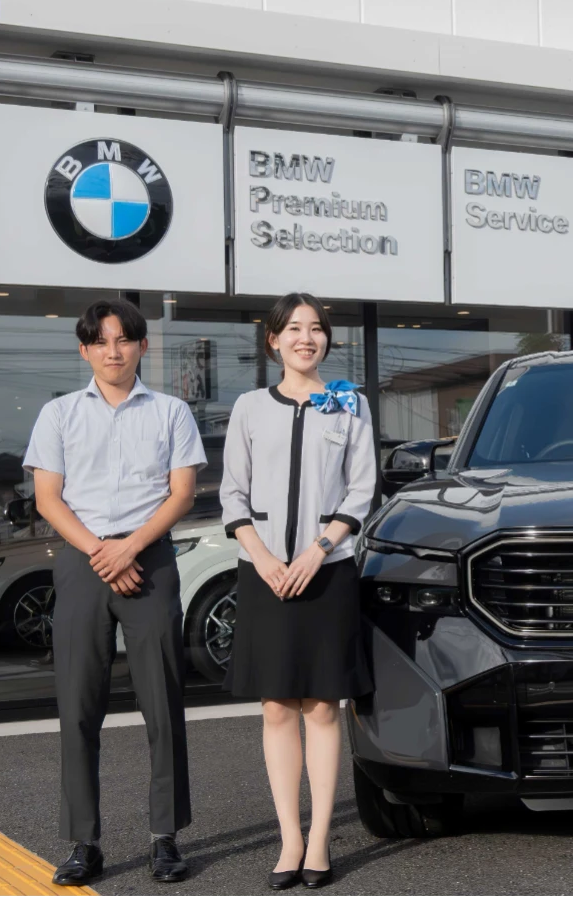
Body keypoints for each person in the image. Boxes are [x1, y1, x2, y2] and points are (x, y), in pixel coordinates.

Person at [24, 298, 206, 885]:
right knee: (78, 706)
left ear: (142, 346)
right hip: (83, 562)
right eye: (100, 341)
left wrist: (130, 548)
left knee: (163, 703)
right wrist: (104, 552)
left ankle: (165, 838)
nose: (113, 351)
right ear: (84, 350)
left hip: (149, 559)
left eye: (124, 339)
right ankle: (84, 842)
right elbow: (49, 498)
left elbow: (181, 494)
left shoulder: (172, 411)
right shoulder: (58, 414)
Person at [221, 293, 375, 891]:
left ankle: (319, 841)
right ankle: (289, 838)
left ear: (327, 340)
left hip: (327, 571)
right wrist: (263, 558)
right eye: (293, 328)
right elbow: (232, 494)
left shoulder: (349, 404)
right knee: (277, 706)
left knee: (323, 707)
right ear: (273, 340)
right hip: (264, 574)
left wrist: (317, 549)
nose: (305, 338)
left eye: (316, 329)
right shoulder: (249, 407)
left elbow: (362, 489)